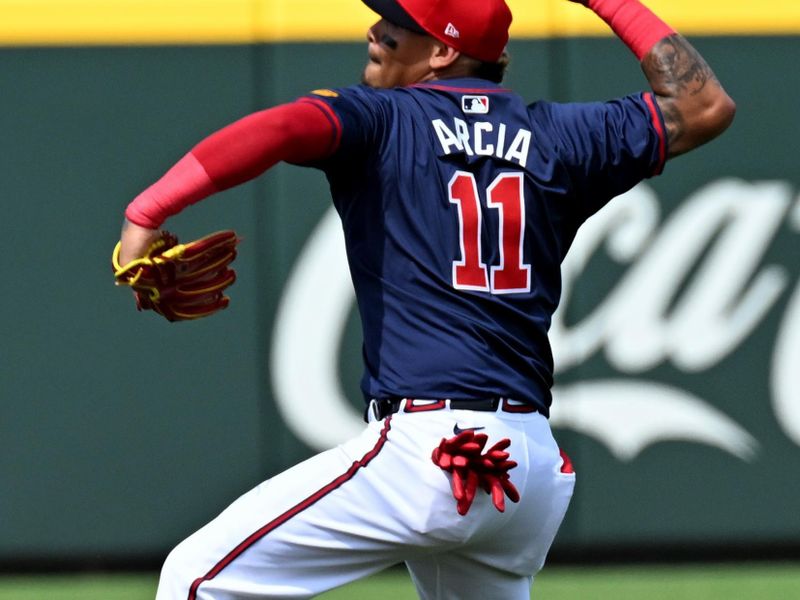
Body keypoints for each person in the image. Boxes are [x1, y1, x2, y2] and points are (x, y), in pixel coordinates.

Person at [115, 0, 735, 598]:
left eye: (396, 26)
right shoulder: (560, 138)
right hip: (524, 473)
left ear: (442, 49)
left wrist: (149, 210)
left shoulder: (384, 120)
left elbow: (282, 127)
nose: (375, 31)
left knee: (196, 578)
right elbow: (703, 105)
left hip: (432, 450)